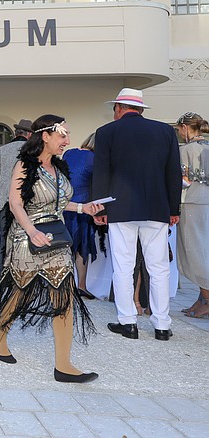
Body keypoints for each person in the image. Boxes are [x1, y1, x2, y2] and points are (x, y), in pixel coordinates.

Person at [0, 115, 104, 383]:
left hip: (57, 238)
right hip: (27, 237)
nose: (67, 140)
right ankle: (0, 337)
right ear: (45, 136)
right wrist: (32, 231)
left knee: (64, 298)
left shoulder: (59, 168)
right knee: (20, 295)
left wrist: (82, 208)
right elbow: (15, 204)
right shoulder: (24, 165)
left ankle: (63, 365)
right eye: (63, 134)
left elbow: (59, 203)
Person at [93, 88, 181, 341]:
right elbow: (173, 173)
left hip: (120, 207)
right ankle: (162, 324)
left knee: (123, 265)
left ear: (119, 108)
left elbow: (102, 173)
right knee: (159, 267)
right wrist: (173, 209)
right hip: (157, 207)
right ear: (140, 109)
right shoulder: (165, 131)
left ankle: (128, 321)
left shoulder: (107, 132)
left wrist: (99, 207)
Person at [175, 112, 209, 318]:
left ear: (186, 128)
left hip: (191, 202)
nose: (179, 133)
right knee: (203, 249)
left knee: (194, 252)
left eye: (179, 129)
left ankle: (206, 299)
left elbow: (182, 179)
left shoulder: (185, 150)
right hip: (205, 202)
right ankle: (201, 298)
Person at [0, 119, 33, 268]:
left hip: (5, 199)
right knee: (26, 234)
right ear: (29, 134)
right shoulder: (33, 150)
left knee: (4, 236)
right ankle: (23, 268)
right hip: (27, 200)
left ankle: (3, 270)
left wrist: (4, 183)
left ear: (16, 133)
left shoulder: (1, 150)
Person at [62, 133, 98, 299]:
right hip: (85, 204)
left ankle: (65, 284)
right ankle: (81, 285)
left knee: (67, 243)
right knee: (82, 245)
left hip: (67, 202)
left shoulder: (69, 153)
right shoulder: (95, 158)